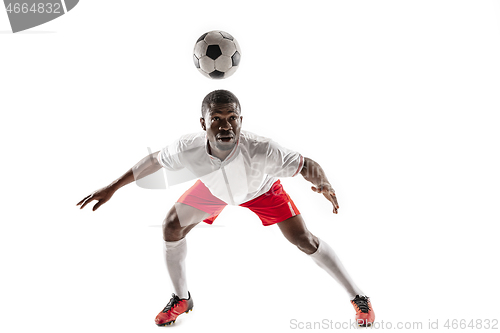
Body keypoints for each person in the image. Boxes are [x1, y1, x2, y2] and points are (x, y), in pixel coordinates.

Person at [77, 90, 375, 327]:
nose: (226, 125)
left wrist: (325, 184)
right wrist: (112, 187)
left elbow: (306, 165)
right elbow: (155, 160)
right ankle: (182, 299)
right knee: (171, 226)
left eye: (232, 118)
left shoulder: (261, 149)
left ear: (241, 121)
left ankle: (358, 296)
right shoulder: (187, 147)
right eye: (217, 118)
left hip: (261, 190)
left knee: (304, 240)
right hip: (215, 190)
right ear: (203, 123)